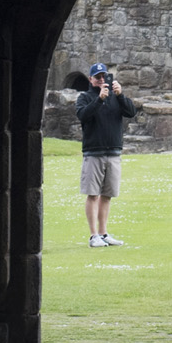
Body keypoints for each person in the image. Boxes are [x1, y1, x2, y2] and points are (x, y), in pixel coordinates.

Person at [70, 63, 137, 247]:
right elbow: (83, 115)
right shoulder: (85, 97)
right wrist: (99, 99)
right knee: (93, 194)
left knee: (107, 195)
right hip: (94, 152)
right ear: (90, 79)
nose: (101, 80)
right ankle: (94, 236)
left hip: (113, 152)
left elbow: (131, 112)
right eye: (97, 77)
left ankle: (104, 233)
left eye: (103, 76)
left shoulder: (116, 97)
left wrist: (120, 95)